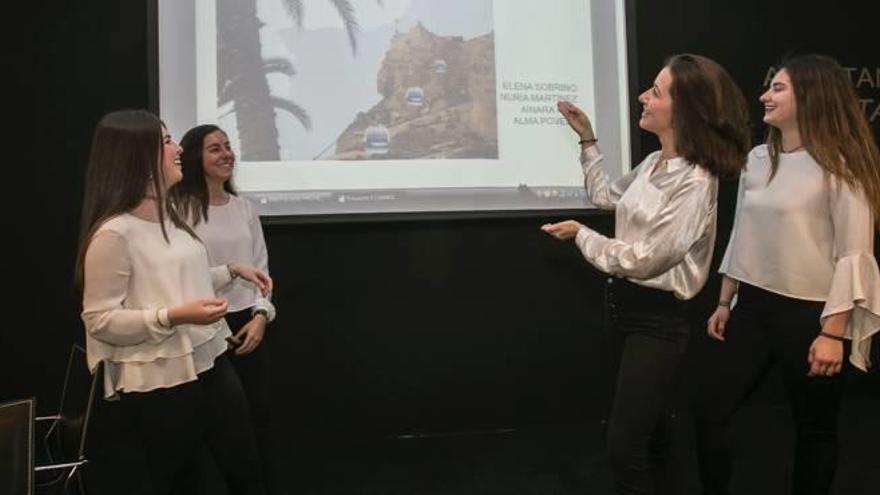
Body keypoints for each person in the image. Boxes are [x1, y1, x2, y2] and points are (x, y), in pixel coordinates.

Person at [541, 54, 750, 494]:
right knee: (654, 435)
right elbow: (604, 195)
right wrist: (587, 140)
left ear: (685, 110)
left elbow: (646, 260)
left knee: (624, 447)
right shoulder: (655, 162)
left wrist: (582, 236)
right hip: (623, 309)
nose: (642, 96)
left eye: (655, 92)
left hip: (658, 322)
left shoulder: (696, 181)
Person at [693, 53, 880, 495]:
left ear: (812, 96)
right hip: (752, 307)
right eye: (769, 86)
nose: (765, 95)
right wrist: (725, 300)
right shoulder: (758, 158)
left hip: (813, 317)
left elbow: (854, 254)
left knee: (814, 428)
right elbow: (743, 235)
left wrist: (833, 334)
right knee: (709, 410)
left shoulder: (842, 165)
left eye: (778, 88)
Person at [76, 110, 271, 495]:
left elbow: (176, 281)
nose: (178, 148)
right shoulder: (114, 233)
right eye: (166, 141)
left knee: (247, 471)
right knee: (179, 481)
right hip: (162, 380)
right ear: (137, 155)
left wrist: (230, 270)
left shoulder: (168, 215)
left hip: (210, 361)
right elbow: (100, 320)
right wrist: (172, 316)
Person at [171, 124, 283, 494]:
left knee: (258, 419)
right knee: (212, 427)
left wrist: (261, 317)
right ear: (194, 158)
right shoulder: (178, 209)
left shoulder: (244, 208)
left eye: (228, 146)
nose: (226, 154)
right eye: (214, 148)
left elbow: (261, 269)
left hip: (248, 324)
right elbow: (179, 274)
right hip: (203, 326)